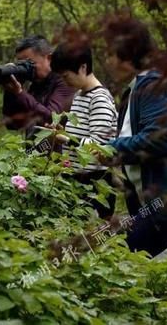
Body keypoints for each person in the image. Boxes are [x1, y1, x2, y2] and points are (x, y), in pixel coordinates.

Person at [95, 17, 167, 257]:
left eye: (110, 54)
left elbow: (160, 138)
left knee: (114, 253)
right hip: (154, 207)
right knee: (120, 254)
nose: (107, 62)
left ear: (127, 54)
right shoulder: (135, 90)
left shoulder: (150, 85)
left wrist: (109, 148)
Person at [50, 42, 118, 219]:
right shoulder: (80, 96)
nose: (65, 81)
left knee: (95, 238)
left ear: (83, 67)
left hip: (96, 183)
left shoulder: (99, 99)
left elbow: (100, 147)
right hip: (78, 178)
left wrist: (66, 139)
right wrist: (61, 134)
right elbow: (80, 136)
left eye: (66, 76)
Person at [2, 35, 75, 141]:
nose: (25, 69)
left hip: (58, 156)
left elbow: (52, 119)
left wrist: (20, 93)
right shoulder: (34, 86)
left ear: (49, 58)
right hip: (32, 156)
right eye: (21, 64)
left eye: (30, 63)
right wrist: (10, 91)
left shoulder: (64, 82)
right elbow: (12, 124)